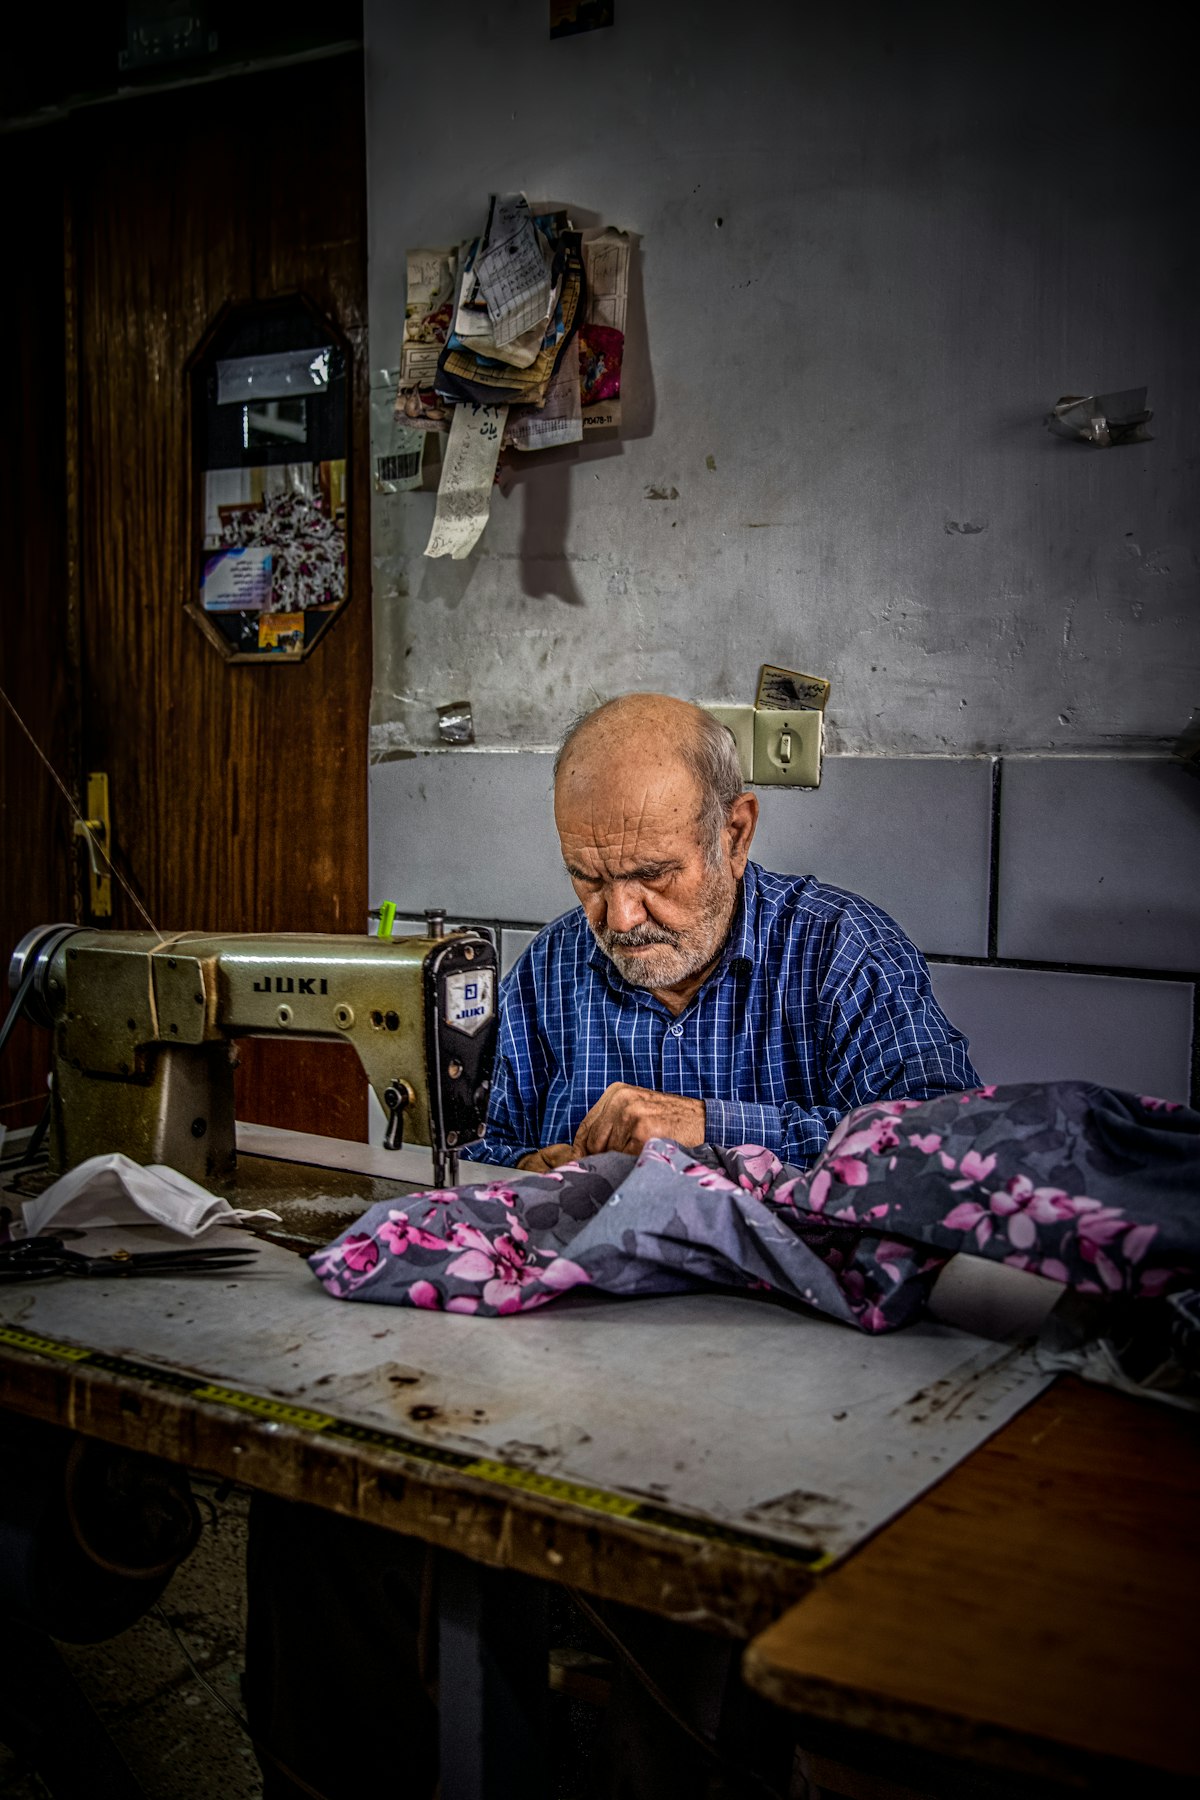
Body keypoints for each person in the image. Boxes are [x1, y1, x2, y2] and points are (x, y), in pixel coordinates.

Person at [467, 692, 979, 1174]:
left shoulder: (842, 952)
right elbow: (473, 1143)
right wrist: (525, 1171)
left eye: (652, 874)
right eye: (588, 878)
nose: (620, 918)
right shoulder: (549, 967)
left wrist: (711, 1129)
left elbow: (946, 1146)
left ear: (734, 836)